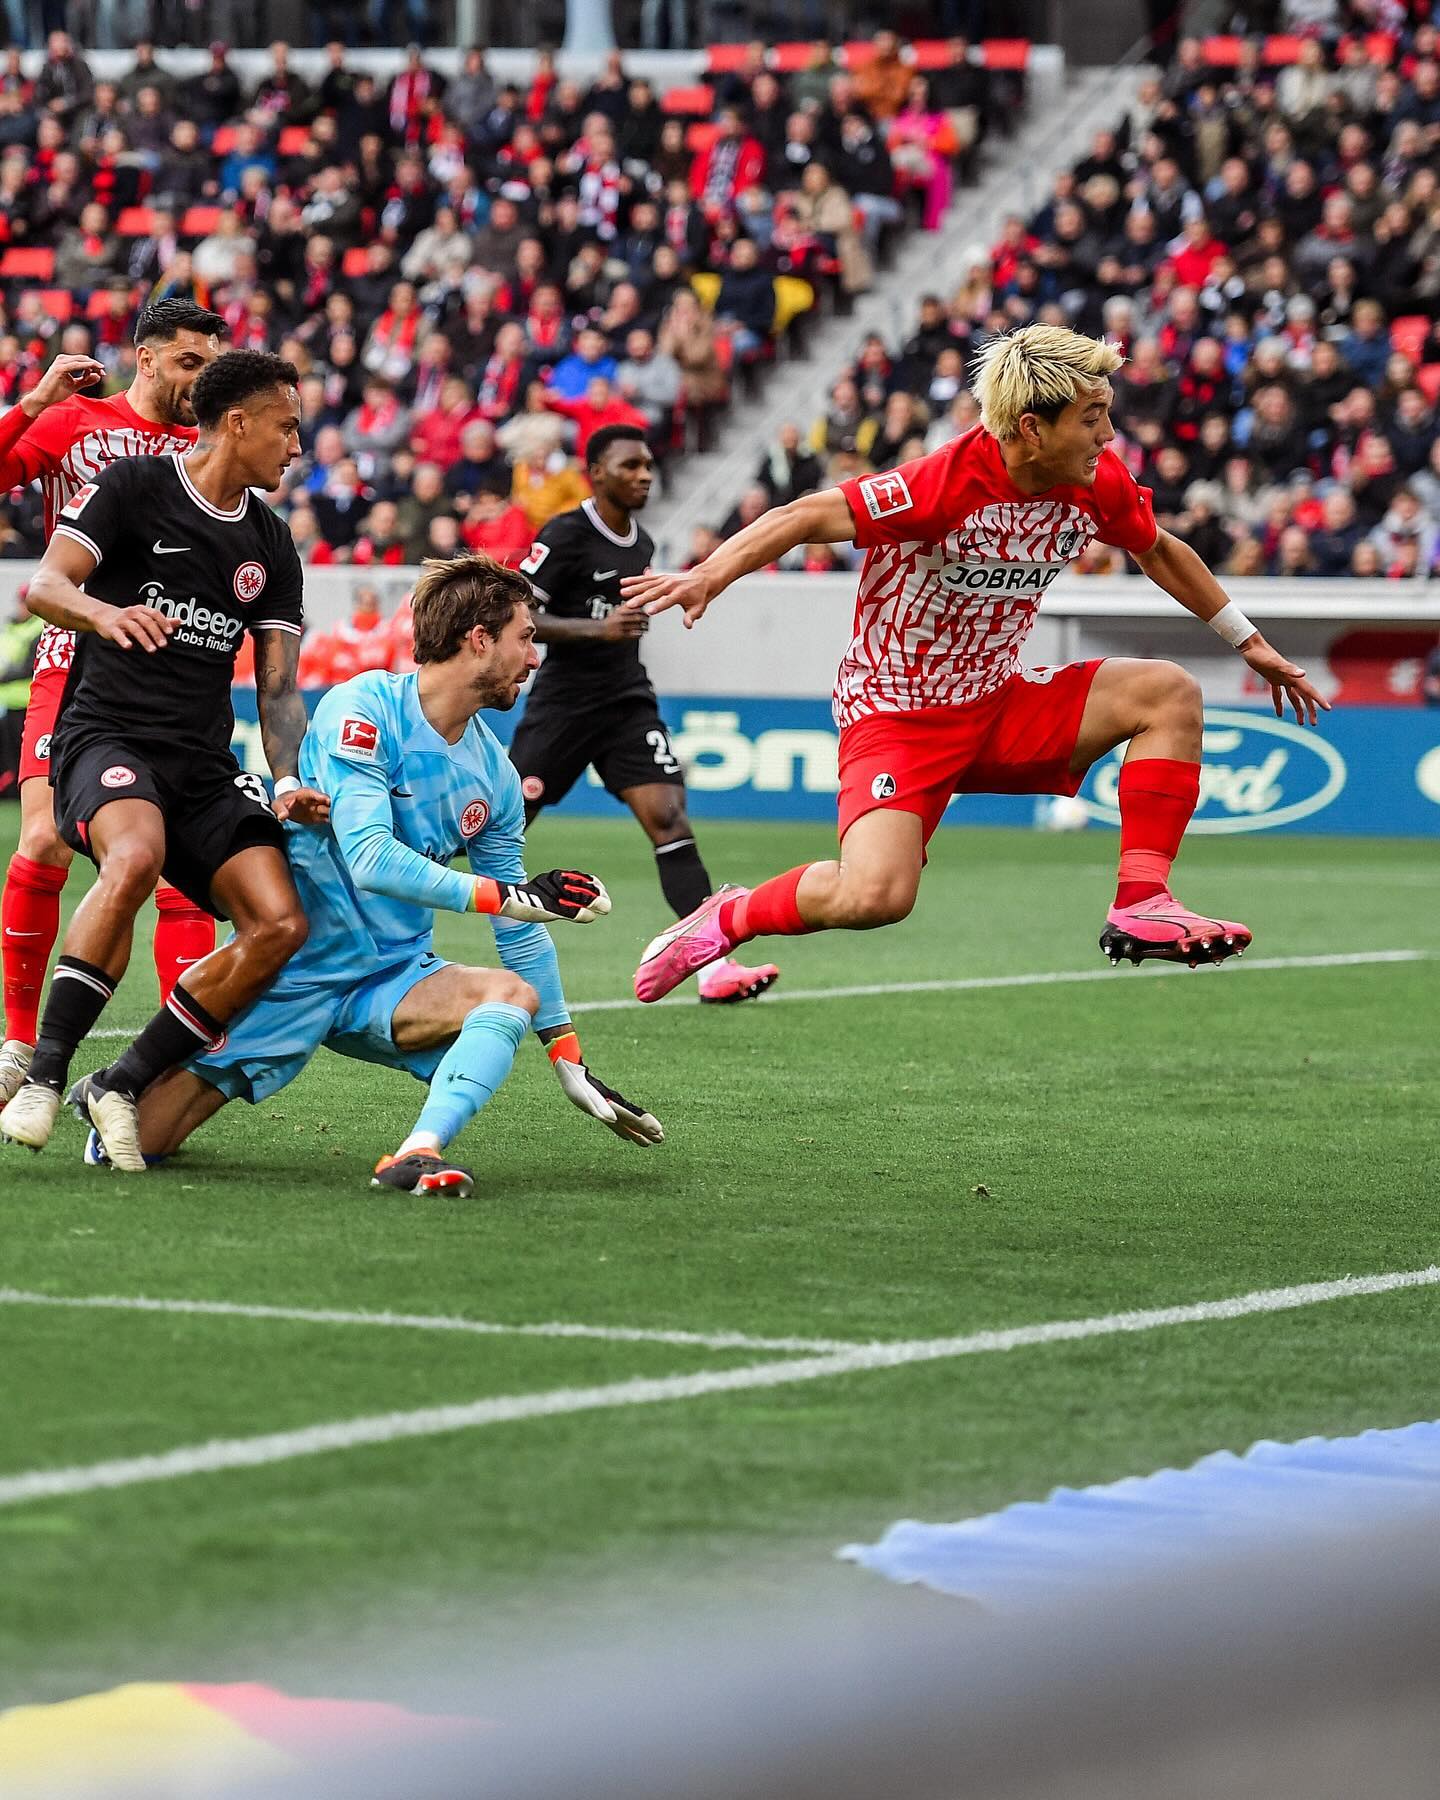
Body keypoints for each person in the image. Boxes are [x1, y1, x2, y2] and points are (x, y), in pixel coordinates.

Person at [620, 325, 1329, 1003]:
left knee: (1167, 693)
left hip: (997, 704)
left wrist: (1248, 640)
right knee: (875, 897)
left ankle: (1142, 900)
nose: (1108, 436)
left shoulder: (1096, 480)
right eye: (1091, 419)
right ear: (1031, 427)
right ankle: (724, 919)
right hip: (898, 715)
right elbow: (805, 515)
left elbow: (1159, 549)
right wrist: (710, 573)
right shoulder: (941, 486)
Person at [116, 553, 661, 1194]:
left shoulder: (497, 776)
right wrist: (510, 897)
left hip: (393, 978)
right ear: (477, 640)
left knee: (511, 995)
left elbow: (519, 925)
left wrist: (567, 1057)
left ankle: (417, 1153)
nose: (535, 658)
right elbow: (370, 857)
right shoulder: (365, 706)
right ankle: (89, 1079)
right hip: (293, 967)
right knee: (133, 1145)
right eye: (526, 639)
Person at [0, 351, 330, 1171]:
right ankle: (45, 1072)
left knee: (282, 922)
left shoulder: (271, 545)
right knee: (136, 856)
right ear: (238, 421)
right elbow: (43, 588)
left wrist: (288, 779)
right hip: (105, 735)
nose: (298, 447)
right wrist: (105, 616)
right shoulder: (134, 487)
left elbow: (280, 688)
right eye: (287, 427)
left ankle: (119, 1080)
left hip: (200, 765)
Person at [0, 301, 228, 1107]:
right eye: (191, 362)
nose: (202, 379)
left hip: (174, 672)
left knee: (174, 873)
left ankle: (170, 1063)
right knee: (43, 844)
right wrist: (31, 403)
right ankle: (20, 1044)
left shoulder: (210, 447)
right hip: (74, 658)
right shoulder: (76, 421)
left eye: (213, 363)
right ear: (148, 357)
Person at [509, 425, 778, 1005]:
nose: (645, 475)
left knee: (670, 818)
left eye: (649, 465)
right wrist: (595, 629)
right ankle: (386, 902)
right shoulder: (565, 534)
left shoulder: (643, 544)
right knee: (499, 824)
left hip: (626, 700)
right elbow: (519, 615)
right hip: (564, 705)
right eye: (631, 465)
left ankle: (714, 969)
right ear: (597, 473)